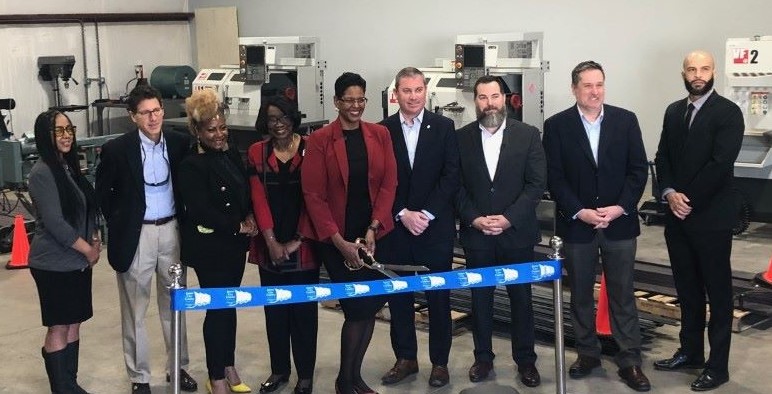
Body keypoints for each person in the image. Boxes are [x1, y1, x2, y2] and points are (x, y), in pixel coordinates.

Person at [543, 60, 650, 392]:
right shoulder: (557, 125)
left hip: (619, 224)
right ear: (574, 88)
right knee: (580, 296)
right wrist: (580, 211)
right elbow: (555, 177)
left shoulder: (625, 120)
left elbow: (637, 171)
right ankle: (587, 353)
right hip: (578, 226)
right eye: (587, 85)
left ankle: (629, 359)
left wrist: (620, 208)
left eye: (599, 84)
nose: (595, 91)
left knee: (621, 293)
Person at [95, 85, 197, 394]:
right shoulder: (117, 150)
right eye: (145, 113)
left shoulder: (180, 144)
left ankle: (177, 367)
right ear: (133, 117)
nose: (152, 118)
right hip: (137, 234)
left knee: (174, 304)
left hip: (171, 231)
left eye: (156, 111)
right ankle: (140, 377)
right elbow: (103, 194)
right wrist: (121, 223)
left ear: (163, 111)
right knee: (135, 309)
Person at [301, 72, 397, 394]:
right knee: (356, 308)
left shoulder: (380, 135)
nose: (355, 106)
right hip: (335, 238)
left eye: (361, 100)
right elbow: (313, 195)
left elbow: (388, 184)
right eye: (349, 100)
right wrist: (339, 242)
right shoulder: (320, 140)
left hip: (370, 235)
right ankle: (345, 379)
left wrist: (374, 227)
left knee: (369, 306)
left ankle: (353, 377)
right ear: (336, 102)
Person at [653, 50, 744, 392]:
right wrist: (669, 193)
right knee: (687, 290)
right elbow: (662, 157)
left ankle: (717, 367)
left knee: (718, 295)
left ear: (714, 71)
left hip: (711, 218)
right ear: (683, 72)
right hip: (677, 218)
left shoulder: (728, 113)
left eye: (704, 68)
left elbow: (720, 165)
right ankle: (690, 352)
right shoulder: (674, 111)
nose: (698, 74)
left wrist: (687, 200)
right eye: (692, 68)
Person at [456, 75, 545, 388]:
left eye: (495, 96)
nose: (489, 102)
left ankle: (526, 361)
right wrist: (475, 219)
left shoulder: (528, 135)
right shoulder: (461, 138)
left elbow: (536, 185)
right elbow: (457, 187)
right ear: (475, 101)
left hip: (516, 234)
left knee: (521, 299)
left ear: (505, 98)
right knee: (481, 300)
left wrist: (508, 218)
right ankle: (483, 358)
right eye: (482, 97)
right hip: (477, 235)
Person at [378, 67, 459, 388]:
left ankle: (440, 363)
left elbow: (451, 176)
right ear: (395, 94)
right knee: (399, 298)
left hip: (433, 228)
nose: (412, 97)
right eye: (406, 91)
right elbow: (380, 180)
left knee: (439, 299)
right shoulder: (382, 131)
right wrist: (401, 213)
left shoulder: (443, 127)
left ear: (426, 92)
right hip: (397, 230)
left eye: (418, 90)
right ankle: (406, 359)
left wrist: (424, 212)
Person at [177, 89, 255, 394]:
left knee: (229, 306)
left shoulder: (229, 153)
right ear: (197, 131)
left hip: (234, 246)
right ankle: (216, 376)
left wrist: (248, 216)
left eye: (223, 128)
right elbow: (201, 211)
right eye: (211, 130)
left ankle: (228, 365)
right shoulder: (191, 165)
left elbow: (242, 191)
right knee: (218, 309)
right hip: (210, 249)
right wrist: (238, 225)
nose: (219, 135)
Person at [248, 97, 320, 394]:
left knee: (304, 314)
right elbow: (257, 199)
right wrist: (272, 242)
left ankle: (305, 375)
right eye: (271, 119)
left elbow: (314, 199)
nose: (277, 124)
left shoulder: (311, 148)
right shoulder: (256, 152)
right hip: (270, 245)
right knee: (275, 312)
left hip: (304, 245)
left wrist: (295, 242)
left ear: (293, 118)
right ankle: (279, 370)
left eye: (282, 118)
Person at [29, 110, 100, 393]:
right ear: (45, 137)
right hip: (53, 263)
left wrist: (94, 239)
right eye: (58, 131)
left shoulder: (68, 167)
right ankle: (62, 386)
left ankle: (69, 381)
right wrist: (87, 250)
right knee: (59, 325)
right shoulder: (42, 172)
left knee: (74, 321)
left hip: (76, 261)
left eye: (68, 129)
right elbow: (55, 223)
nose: (66, 135)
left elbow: (86, 208)